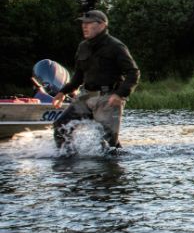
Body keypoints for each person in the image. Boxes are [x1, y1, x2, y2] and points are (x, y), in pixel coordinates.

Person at [52, 10, 141, 151]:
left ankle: (114, 163)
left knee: (108, 144)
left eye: (88, 23)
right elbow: (78, 77)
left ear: (102, 25)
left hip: (108, 98)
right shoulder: (83, 47)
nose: (84, 26)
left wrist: (120, 94)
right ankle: (67, 159)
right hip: (86, 96)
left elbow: (133, 73)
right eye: (83, 23)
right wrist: (63, 92)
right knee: (60, 127)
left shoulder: (116, 46)